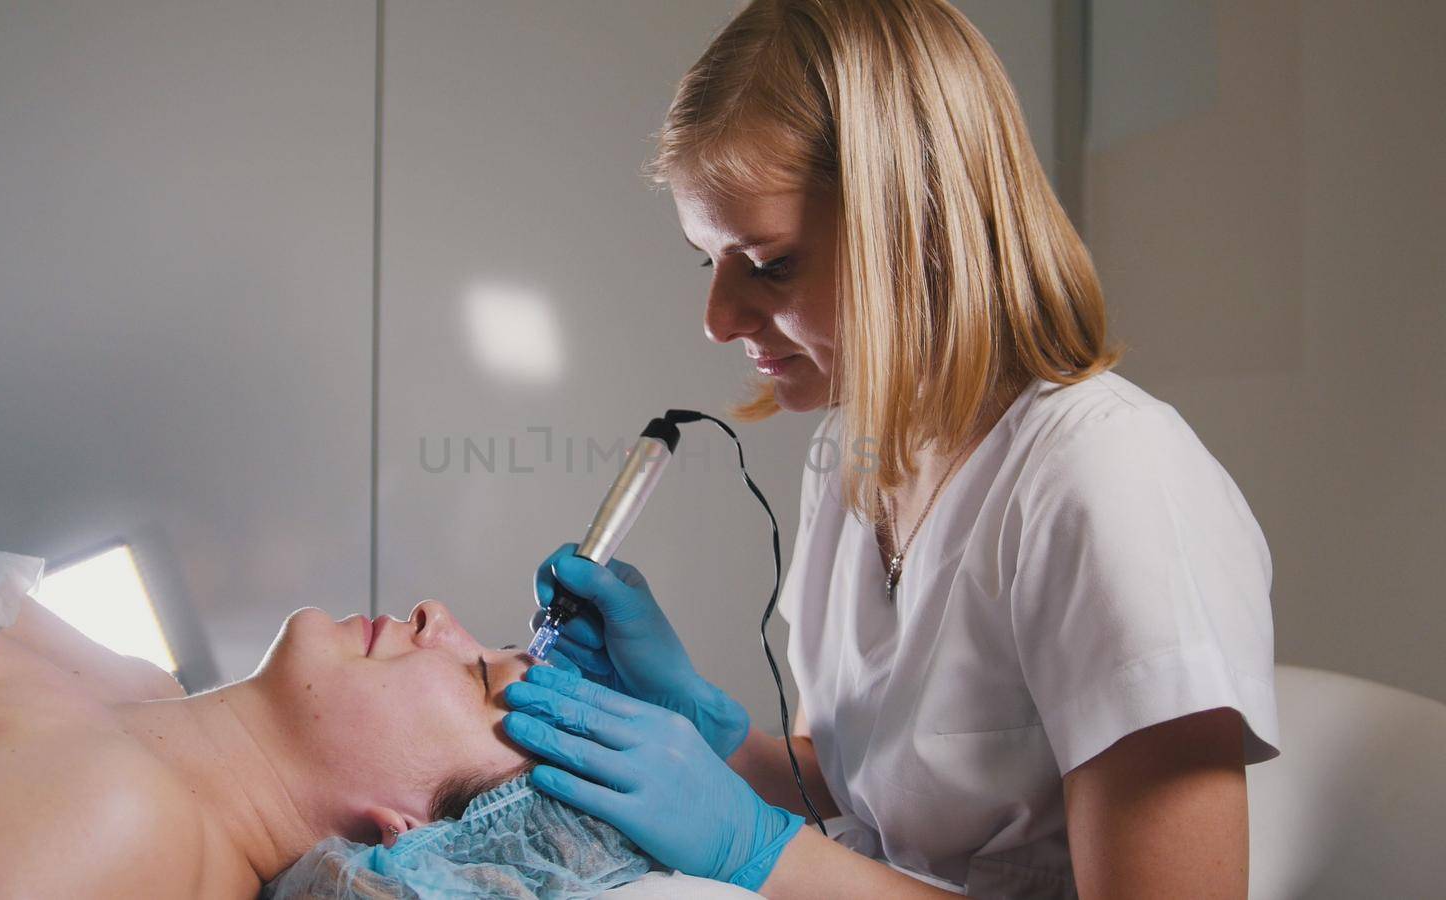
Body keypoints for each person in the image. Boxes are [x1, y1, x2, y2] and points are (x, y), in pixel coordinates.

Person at [500, 0, 1279, 897]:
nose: (717, 321)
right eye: (705, 260)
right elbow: (888, 794)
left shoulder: (1111, 482)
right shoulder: (859, 452)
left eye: (771, 262)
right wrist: (717, 735)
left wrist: (762, 850)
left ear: (922, 226)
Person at [0, 596, 536, 899]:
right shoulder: (140, 688)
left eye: (480, 676)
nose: (435, 613)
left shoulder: (122, 825)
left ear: (410, 832)